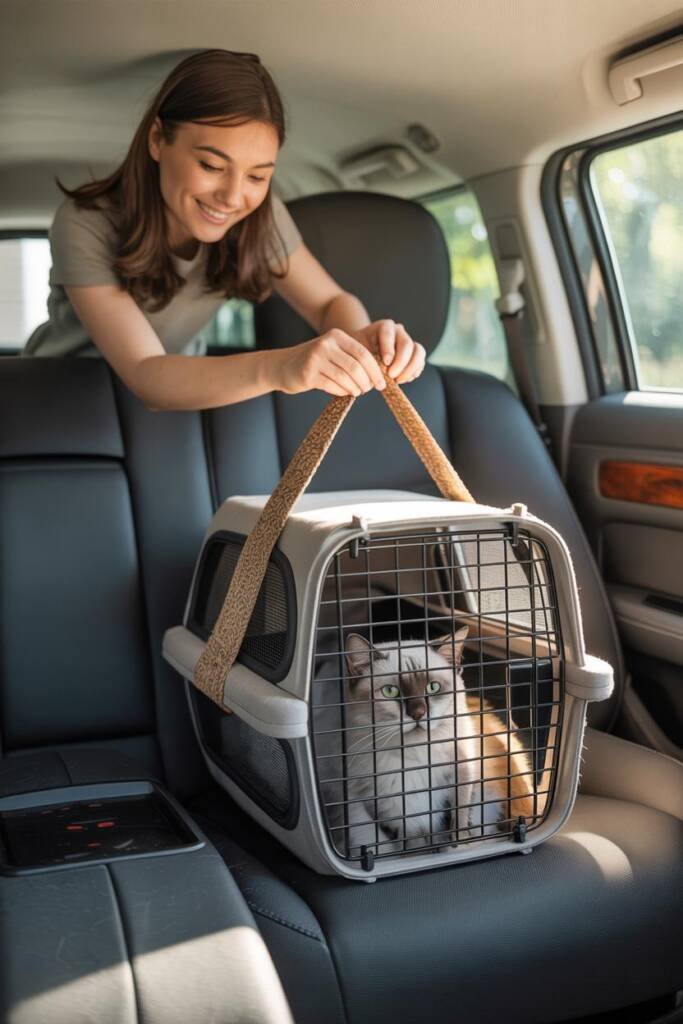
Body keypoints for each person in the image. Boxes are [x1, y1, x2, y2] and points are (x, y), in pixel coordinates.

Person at [23, 48, 426, 411]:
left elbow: (327, 303)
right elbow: (146, 370)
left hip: (182, 389)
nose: (233, 198)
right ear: (158, 139)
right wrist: (283, 365)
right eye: (212, 167)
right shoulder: (84, 222)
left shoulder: (260, 216)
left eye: (257, 176)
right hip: (63, 393)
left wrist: (363, 342)